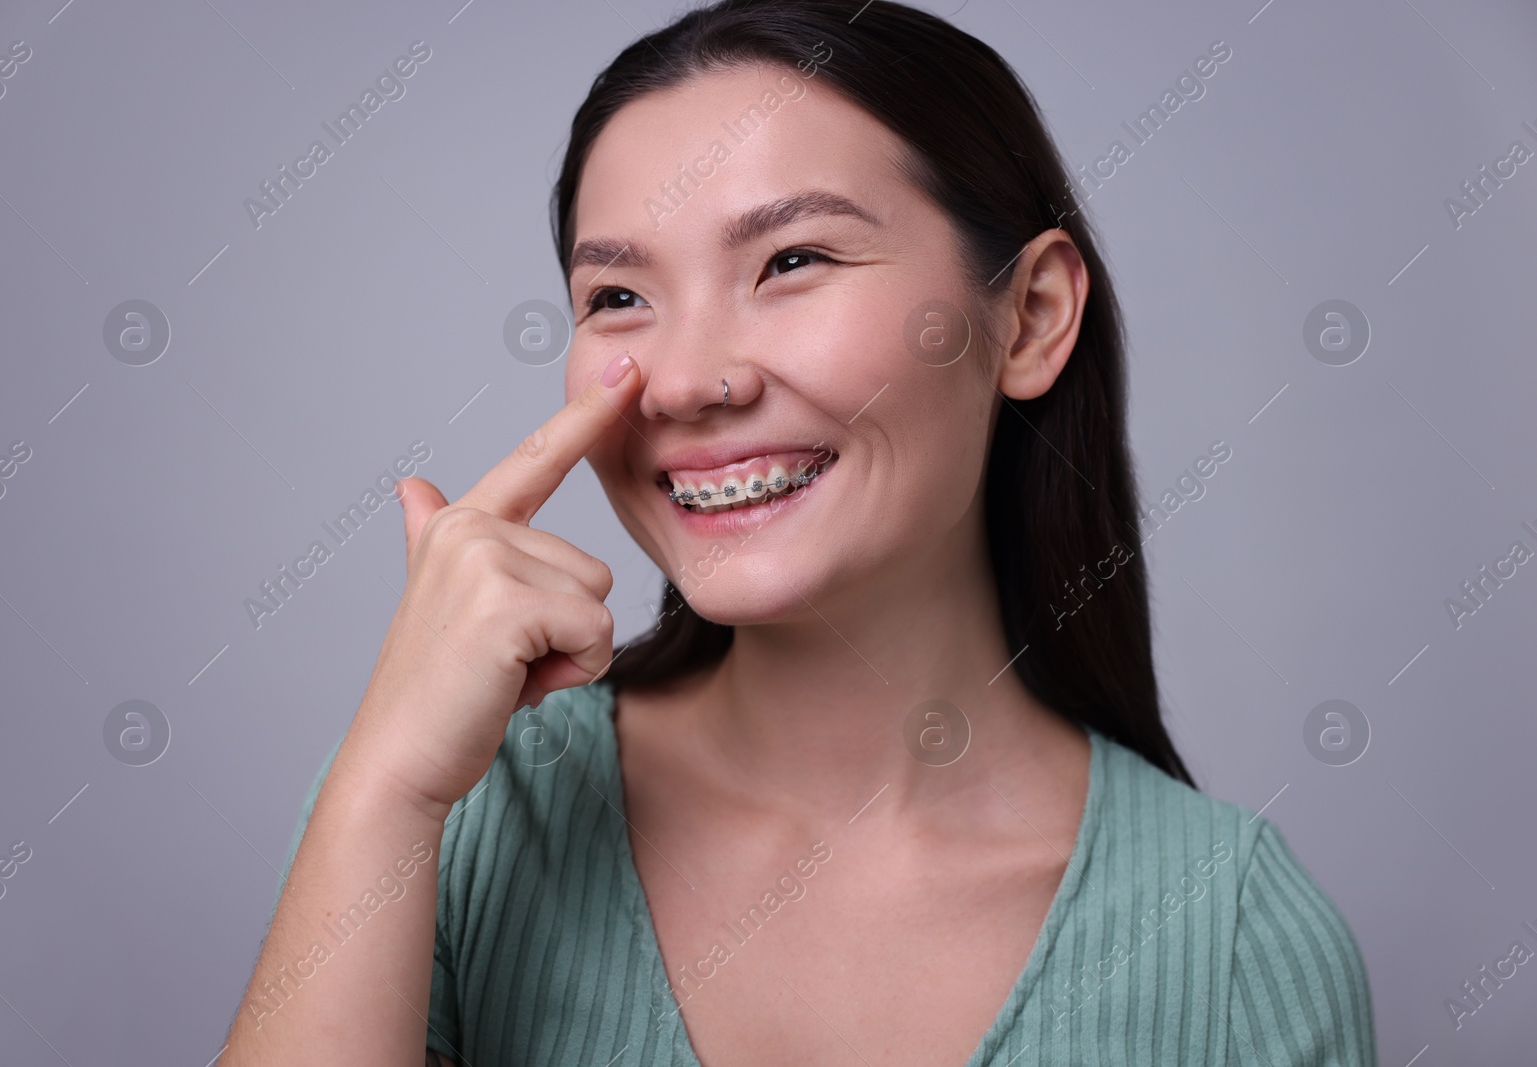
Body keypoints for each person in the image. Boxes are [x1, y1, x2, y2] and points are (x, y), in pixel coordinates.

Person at [220, 0, 1378, 1062]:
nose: (684, 381)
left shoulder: (1230, 945)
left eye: (793, 260)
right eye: (618, 295)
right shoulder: (456, 816)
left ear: (1028, 316)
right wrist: (385, 788)